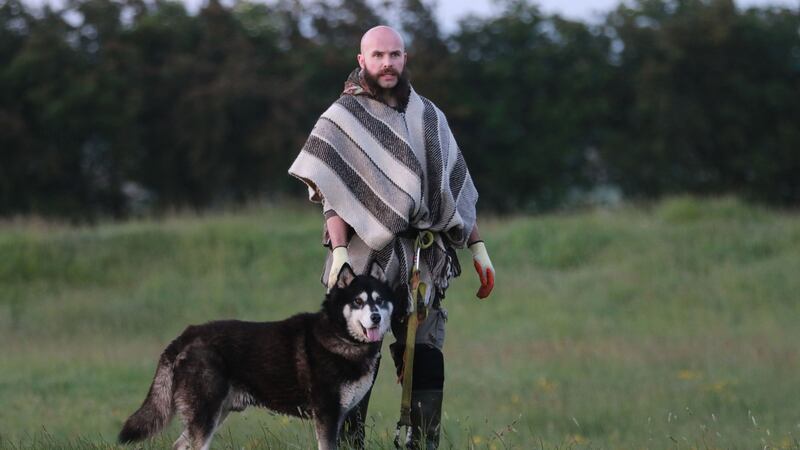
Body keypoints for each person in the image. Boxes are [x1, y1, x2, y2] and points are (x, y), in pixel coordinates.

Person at [288, 25, 495, 450]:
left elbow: (455, 189)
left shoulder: (428, 116)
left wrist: (478, 247)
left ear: (405, 59)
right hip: (367, 258)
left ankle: (422, 446)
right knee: (354, 359)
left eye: (395, 55)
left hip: (425, 258)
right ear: (362, 59)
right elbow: (334, 195)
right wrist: (341, 254)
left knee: (427, 359)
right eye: (378, 55)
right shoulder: (342, 119)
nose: (387, 63)